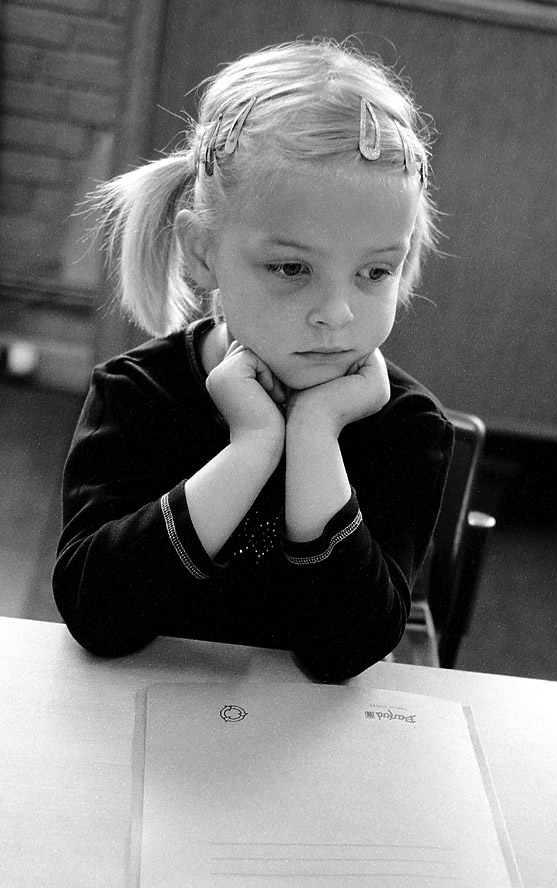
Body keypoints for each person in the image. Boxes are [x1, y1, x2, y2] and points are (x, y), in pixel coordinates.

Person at [53, 39, 454, 682]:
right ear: (202, 250)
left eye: (376, 270)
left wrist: (316, 434)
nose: (338, 313)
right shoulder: (134, 394)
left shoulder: (404, 426)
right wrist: (252, 449)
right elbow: (95, 614)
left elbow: (346, 652)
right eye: (292, 268)